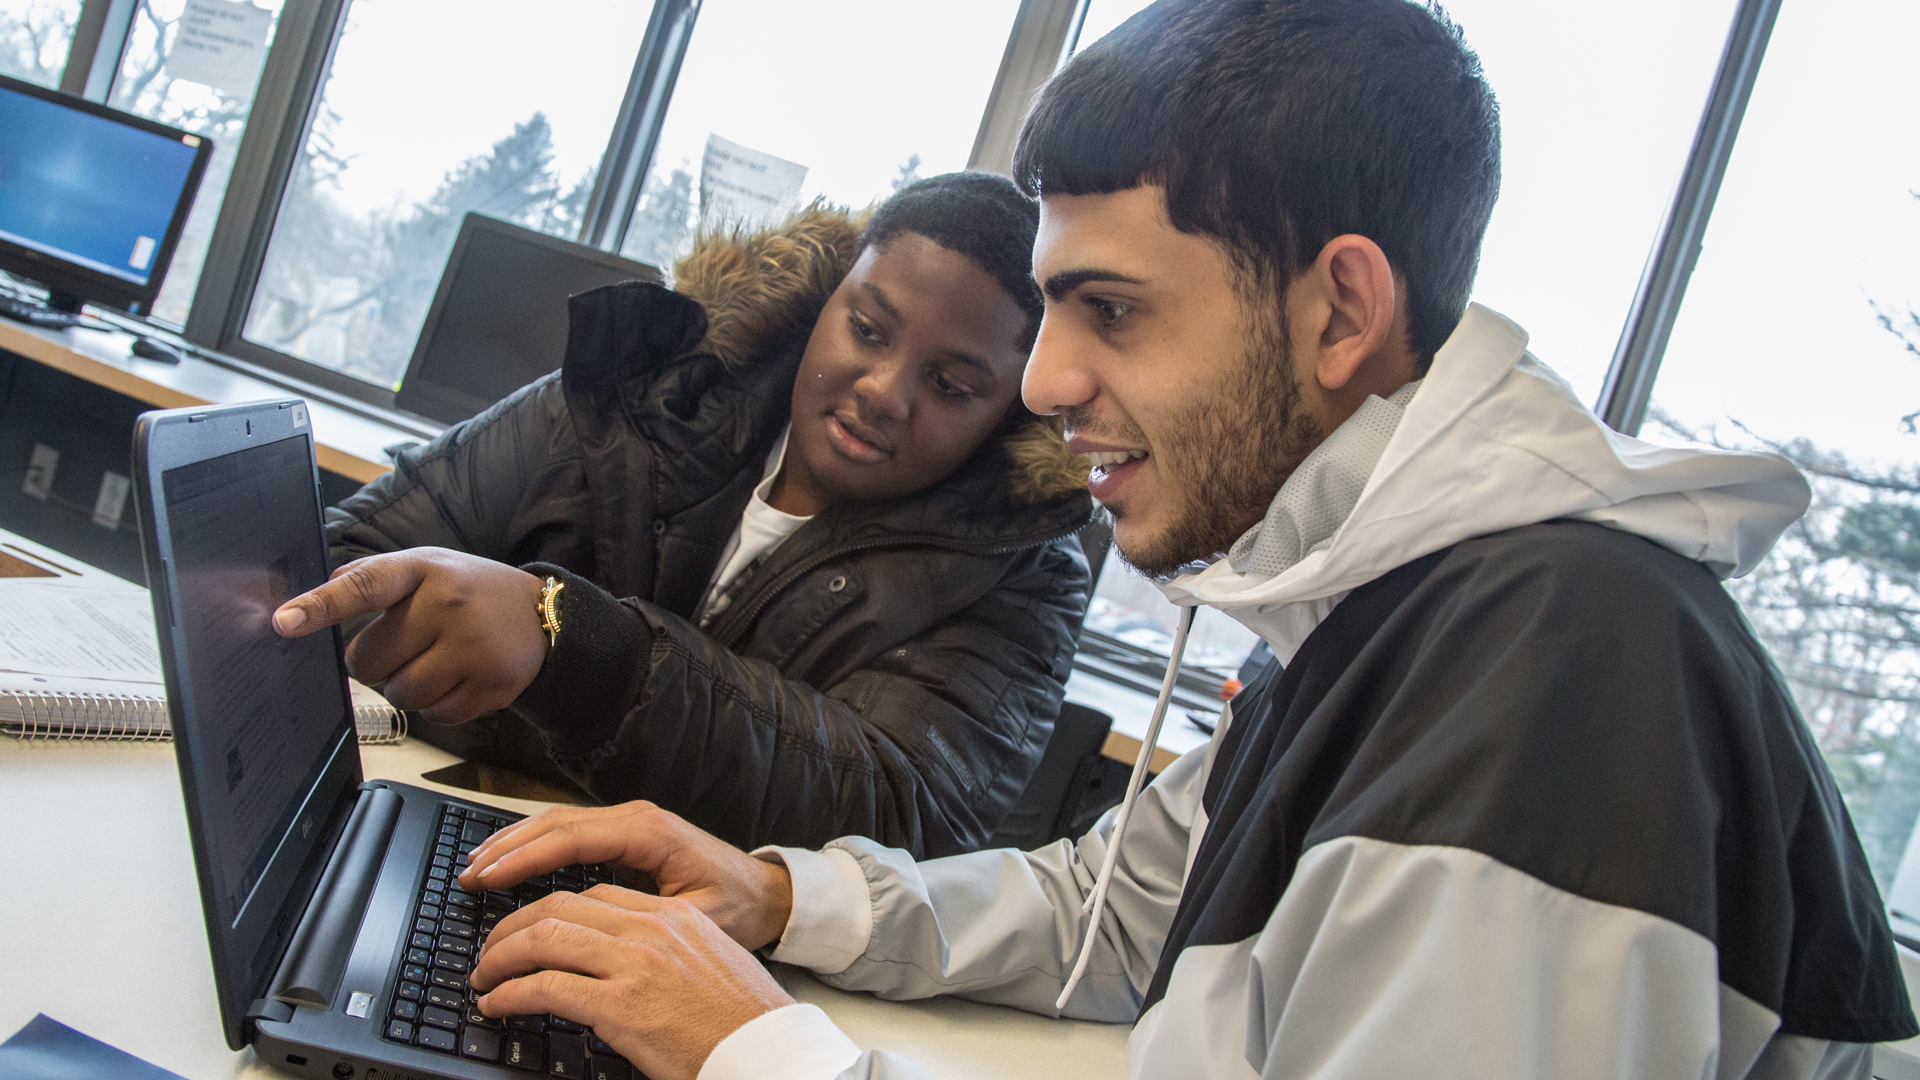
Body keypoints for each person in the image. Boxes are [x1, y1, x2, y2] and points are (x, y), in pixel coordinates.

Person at [418, 2, 1918, 1078]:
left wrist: (762, 1057)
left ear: (1341, 308)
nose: (1048, 383)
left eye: (1112, 310)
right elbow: (1121, 903)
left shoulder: (1559, 671)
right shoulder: (1402, 598)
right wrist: (777, 894)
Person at [275, 173, 1095, 858]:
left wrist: (570, 651)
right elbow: (345, 572)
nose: (884, 389)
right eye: (868, 328)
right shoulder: (640, 392)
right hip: (448, 849)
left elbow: (896, 826)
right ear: (829, 297)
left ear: (1013, 409)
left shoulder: (1020, 572)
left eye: (952, 386)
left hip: (698, 966)